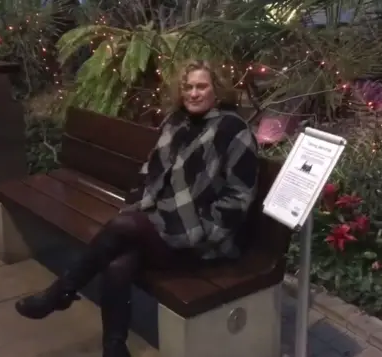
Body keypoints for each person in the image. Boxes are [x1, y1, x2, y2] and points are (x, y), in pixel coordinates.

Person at [14, 59, 260, 357]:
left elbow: (239, 196)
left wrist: (202, 231)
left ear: (216, 90)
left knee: (123, 226)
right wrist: (139, 205)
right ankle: (114, 347)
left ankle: (60, 292)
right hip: (163, 225)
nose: (194, 93)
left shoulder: (234, 130)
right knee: (118, 263)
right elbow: (149, 172)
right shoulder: (175, 122)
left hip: (204, 242)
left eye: (201, 86)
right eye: (188, 87)